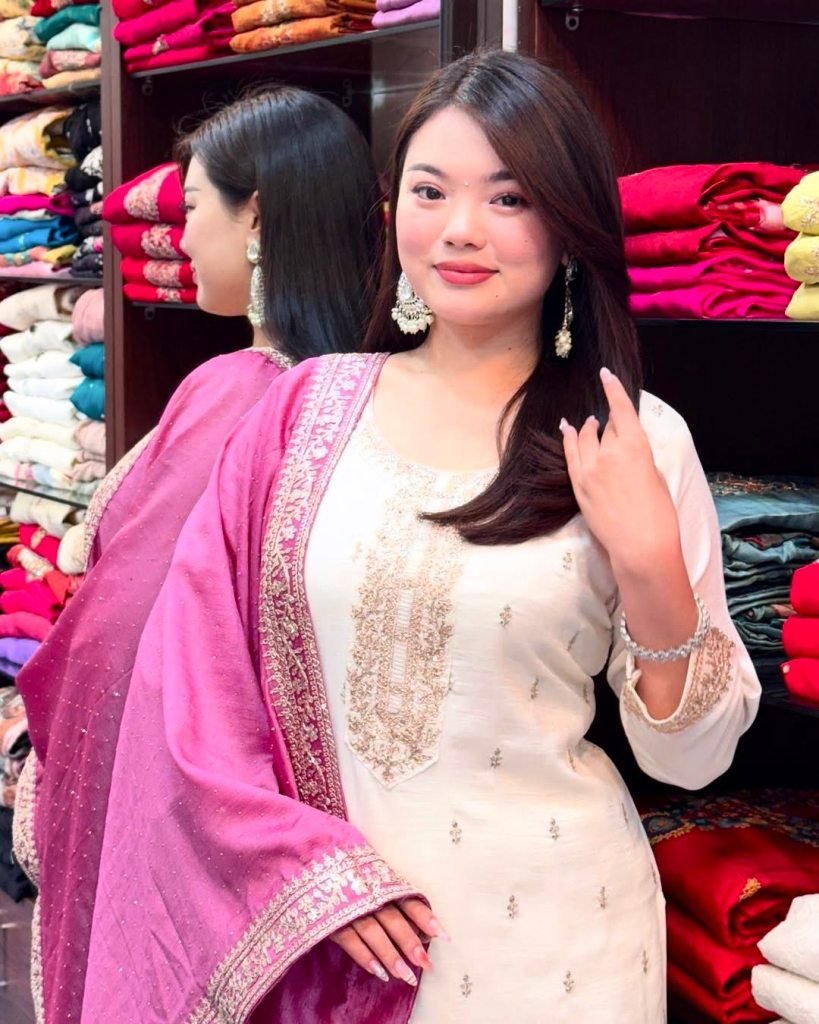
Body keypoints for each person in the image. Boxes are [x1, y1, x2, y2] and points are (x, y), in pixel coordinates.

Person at [78, 51, 761, 1023]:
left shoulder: (634, 439)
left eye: (508, 198)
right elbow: (189, 678)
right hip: (323, 937)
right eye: (430, 191)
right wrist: (306, 864)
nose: (460, 230)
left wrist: (652, 565)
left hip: (561, 954)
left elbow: (690, 761)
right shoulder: (304, 413)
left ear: (568, 224)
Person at [13, 85, 383, 1023]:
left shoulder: (241, 391)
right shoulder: (373, 390)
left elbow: (125, 634)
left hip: (218, 801)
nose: (178, 238)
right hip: (348, 827)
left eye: (190, 210)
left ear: (255, 218)